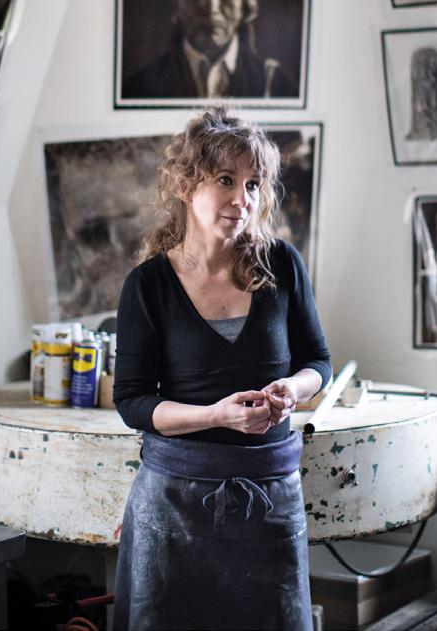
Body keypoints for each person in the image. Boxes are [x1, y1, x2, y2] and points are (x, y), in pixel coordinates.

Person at [112, 105, 331, 631]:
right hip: (175, 502)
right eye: (226, 180)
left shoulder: (282, 265)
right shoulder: (148, 286)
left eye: (254, 184)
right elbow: (132, 402)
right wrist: (216, 415)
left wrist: (293, 388)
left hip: (270, 498)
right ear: (187, 185)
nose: (243, 199)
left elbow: (317, 362)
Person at [123, 0, 296, 100]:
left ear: (245, 6)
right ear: (176, 5)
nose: (211, 8)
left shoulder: (274, 84)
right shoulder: (140, 88)